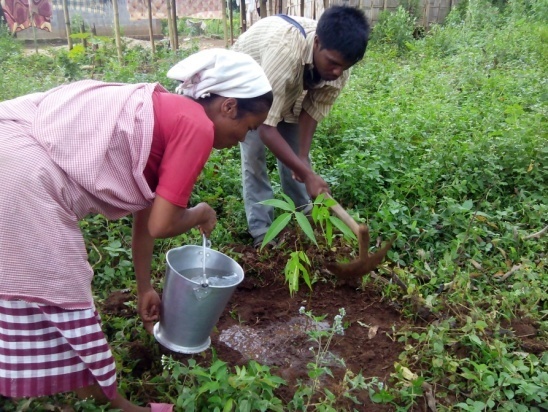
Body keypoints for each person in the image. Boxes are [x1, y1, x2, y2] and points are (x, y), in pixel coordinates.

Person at [0, 48, 272, 412]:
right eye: (248, 127)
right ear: (228, 107)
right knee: (63, 294)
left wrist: (145, 286)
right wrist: (201, 213)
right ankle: (121, 407)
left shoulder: (164, 109)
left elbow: (147, 211)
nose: (242, 139)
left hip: (10, 135)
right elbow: (163, 224)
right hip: (22, 178)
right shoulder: (197, 127)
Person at [232, 6, 370, 247]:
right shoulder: (284, 51)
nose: (337, 71)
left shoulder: (338, 70)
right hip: (251, 87)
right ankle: (263, 233)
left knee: (297, 159)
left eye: (344, 67)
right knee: (254, 158)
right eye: (333, 63)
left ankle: (302, 221)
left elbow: (311, 110)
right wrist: (308, 175)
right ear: (317, 42)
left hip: (290, 84)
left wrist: (303, 160)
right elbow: (265, 126)